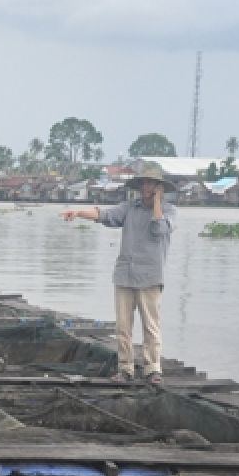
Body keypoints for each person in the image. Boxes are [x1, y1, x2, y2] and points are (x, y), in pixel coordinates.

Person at [60, 161, 177, 385]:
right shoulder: (129, 208)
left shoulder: (170, 212)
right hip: (125, 274)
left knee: (151, 326)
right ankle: (126, 368)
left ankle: (153, 369)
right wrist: (78, 212)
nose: (146, 188)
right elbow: (105, 215)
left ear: (159, 187)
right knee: (123, 326)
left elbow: (158, 229)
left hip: (150, 277)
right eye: (144, 183)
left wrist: (157, 204)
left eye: (151, 184)